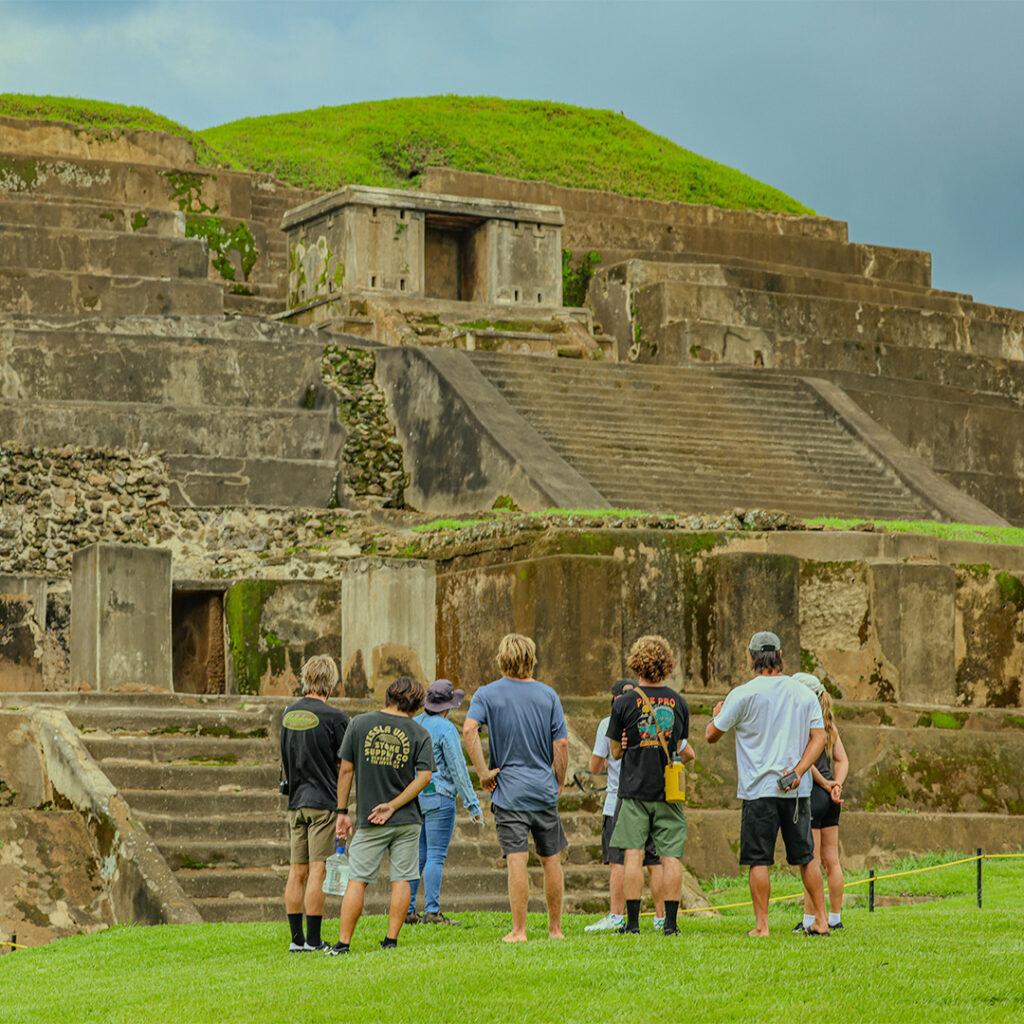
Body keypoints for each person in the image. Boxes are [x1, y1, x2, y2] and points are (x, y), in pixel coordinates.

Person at [705, 630, 829, 937]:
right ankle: (822, 921)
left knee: (758, 859)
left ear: (751, 657)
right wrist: (799, 771)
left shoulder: (744, 694)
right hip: (796, 789)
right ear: (781, 655)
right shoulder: (802, 693)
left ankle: (762, 926)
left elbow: (711, 734)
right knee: (806, 858)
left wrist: (718, 714)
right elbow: (820, 738)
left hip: (758, 789)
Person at [463, 633, 569, 943]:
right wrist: (558, 781)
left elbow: (469, 729)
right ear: (531, 658)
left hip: (509, 792)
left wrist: (483, 773)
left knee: (517, 860)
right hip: (542, 790)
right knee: (552, 860)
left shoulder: (486, 694)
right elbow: (560, 744)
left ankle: (519, 931)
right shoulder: (549, 695)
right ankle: (555, 930)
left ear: (501, 658)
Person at [326, 676, 434, 955]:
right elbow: (424, 777)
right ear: (416, 702)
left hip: (369, 818)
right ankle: (391, 940)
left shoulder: (359, 724)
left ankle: (343, 943)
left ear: (390, 695)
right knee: (402, 879)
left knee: (357, 880)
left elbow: (346, 771)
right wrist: (395, 805)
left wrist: (341, 811)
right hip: (407, 819)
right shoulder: (419, 732)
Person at [607, 636, 694, 936]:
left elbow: (615, 752)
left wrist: (629, 744)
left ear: (636, 663)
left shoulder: (625, 702)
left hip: (633, 789)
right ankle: (670, 923)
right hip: (669, 790)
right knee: (670, 856)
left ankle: (632, 923)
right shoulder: (679, 702)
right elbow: (679, 745)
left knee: (633, 854)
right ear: (667, 664)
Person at [585, 677, 666, 933]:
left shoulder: (608, 723)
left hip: (618, 801)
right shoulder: (654, 720)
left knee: (619, 861)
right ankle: (661, 918)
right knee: (654, 861)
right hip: (653, 798)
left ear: (614, 699)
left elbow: (595, 767)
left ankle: (618, 916)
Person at [280, 654, 349, 952]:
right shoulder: (335, 717)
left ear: (306, 678)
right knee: (317, 870)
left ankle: (296, 940)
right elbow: (344, 763)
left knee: (297, 870)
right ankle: (313, 939)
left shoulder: (288, 713)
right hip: (322, 802)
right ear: (330, 683)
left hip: (295, 801)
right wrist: (342, 808)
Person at [406, 678, 484, 926]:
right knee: (436, 856)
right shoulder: (446, 729)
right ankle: (431, 912)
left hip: (415, 795)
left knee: (418, 855)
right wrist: (473, 804)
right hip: (440, 796)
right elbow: (459, 770)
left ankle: (407, 910)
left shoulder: (414, 724)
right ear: (447, 706)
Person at [791, 672, 848, 933]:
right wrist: (837, 783)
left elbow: (807, 761)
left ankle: (810, 919)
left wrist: (825, 784)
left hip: (813, 795)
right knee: (832, 860)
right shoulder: (828, 725)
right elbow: (842, 760)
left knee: (810, 861)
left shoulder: (803, 725)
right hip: (831, 799)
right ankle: (835, 917)